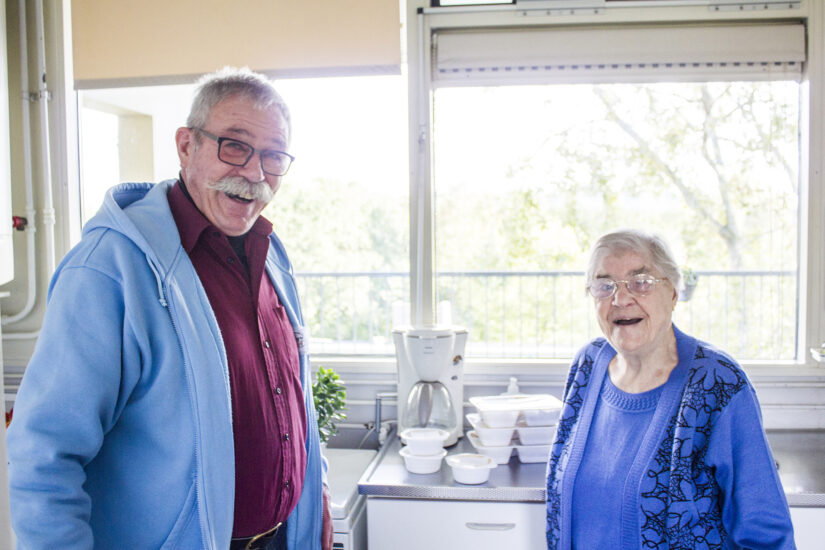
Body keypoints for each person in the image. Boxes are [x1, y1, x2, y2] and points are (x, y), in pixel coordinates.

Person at [7, 67, 333, 550]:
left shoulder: (271, 256)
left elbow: (294, 399)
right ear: (187, 146)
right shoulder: (108, 272)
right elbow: (42, 457)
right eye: (235, 146)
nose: (254, 173)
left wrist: (316, 500)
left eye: (273, 155)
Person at [545, 229, 795, 549]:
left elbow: (766, 533)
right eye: (604, 285)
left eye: (641, 281)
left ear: (673, 293)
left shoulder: (717, 384)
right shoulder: (587, 366)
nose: (620, 299)